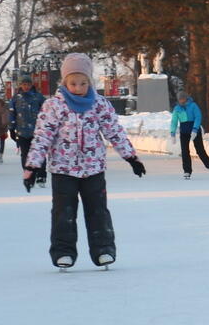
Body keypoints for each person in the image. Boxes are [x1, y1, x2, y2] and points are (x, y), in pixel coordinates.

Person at [23, 53, 146, 268]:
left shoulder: (99, 104)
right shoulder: (54, 106)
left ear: (90, 82)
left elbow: (114, 132)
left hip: (93, 168)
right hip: (63, 169)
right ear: (64, 82)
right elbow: (43, 137)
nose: (77, 87)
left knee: (98, 210)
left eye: (82, 83)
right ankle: (63, 252)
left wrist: (131, 157)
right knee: (64, 213)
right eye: (72, 83)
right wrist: (32, 166)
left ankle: (103, 250)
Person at [168, 93, 209, 179]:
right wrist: (172, 133)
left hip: (194, 130)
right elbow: (174, 121)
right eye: (180, 99)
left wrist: (195, 129)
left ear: (186, 98)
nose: (182, 101)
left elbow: (198, 117)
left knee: (200, 150)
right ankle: (187, 171)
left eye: (183, 99)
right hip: (184, 132)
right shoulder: (177, 108)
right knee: (185, 152)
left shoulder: (193, 105)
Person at [9, 74, 47, 170]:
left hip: (37, 131)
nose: (26, 87)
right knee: (25, 154)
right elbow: (12, 113)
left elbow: (46, 111)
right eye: (24, 84)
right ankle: (28, 173)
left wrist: (45, 125)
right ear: (20, 85)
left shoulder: (38, 97)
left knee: (38, 152)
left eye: (28, 84)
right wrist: (11, 128)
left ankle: (41, 174)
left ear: (31, 85)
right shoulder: (16, 98)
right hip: (22, 131)